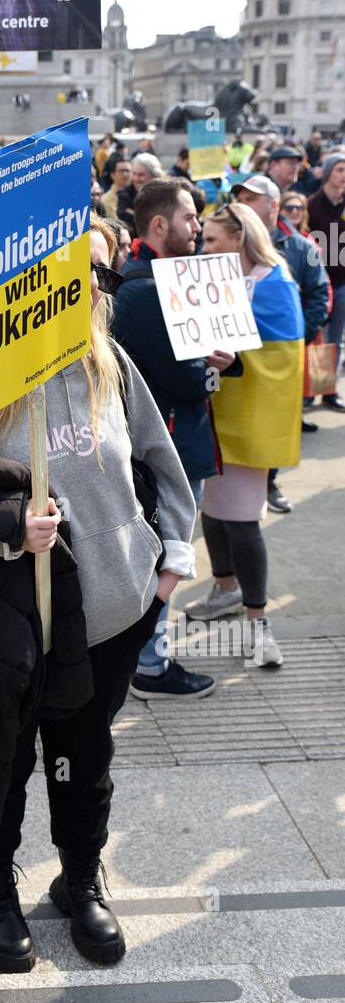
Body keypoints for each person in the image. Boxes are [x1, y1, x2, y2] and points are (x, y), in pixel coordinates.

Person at [0, 213, 198, 971]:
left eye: (86, 281)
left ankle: (79, 878)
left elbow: (163, 468)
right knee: (0, 759)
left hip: (108, 613)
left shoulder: (107, 363)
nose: (78, 295)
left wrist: (170, 560)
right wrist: (3, 530)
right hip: (3, 623)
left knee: (83, 754)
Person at [113, 179, 233, 699]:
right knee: (168, 554)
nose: (199, 227)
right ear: (158, 225)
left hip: (178, 441)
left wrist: (219, 360)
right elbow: (184, 378)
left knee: (167, 554)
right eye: (189, 218)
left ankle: (144, 657)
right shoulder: (143, 291)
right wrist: (210, 367)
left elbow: (224, 362)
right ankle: (148, 664)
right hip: (171, 449)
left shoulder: (165, 280)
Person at [185, 203, 305, 667]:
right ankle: (226, 588)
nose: (204, 247)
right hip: (216, 415)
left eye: (212, 240)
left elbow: (284, 361)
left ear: (239, 237)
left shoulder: (275, 281)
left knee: (240, 519)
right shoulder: (229, 278)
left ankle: (259, 624)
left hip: (246, 420)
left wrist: (237, 362)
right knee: (214, 513)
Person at [233, 172, 331, 472]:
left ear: (273, 204)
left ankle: (269, 480)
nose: (243, 205)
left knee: (273, 422)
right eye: (240, 199)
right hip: (237, 357)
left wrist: (298, 334)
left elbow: (319, 294)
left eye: (251, 199)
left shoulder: (303, 248)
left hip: (278, 358)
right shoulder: (229, 241)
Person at [307, 153, 345, 412]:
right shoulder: (310, 204)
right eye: (340, 170)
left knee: (336, 340)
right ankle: (310, 390)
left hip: (342, 282)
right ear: (329, 172)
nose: (344, 176)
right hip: (318, 283)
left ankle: (329, 390)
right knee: (314, 339)